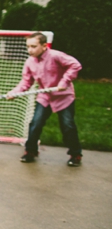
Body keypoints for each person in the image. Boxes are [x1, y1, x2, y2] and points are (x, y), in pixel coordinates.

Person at [9, 32, 83, 166]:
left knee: (67, 126)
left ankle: (75, 154)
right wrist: (15, 93)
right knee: (35, 124)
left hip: (63, 97)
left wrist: (64, 81)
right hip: (45, 97)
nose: (30, 50)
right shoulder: (30, 62)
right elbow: (26, 82)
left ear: (44, 46)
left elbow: (75, 65)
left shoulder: (56, 56)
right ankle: (30, 151)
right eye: (28, 47)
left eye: (33, 46)